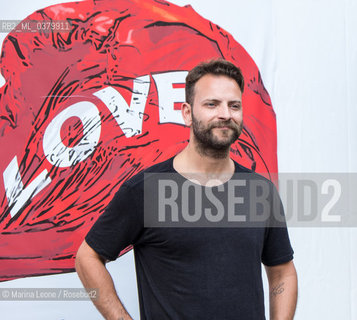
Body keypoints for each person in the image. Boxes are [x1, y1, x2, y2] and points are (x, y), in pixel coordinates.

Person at [75, 59, 298, 320]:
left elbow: (282, 271)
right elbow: (87, 258)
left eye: (234, 105)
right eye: (212, 104)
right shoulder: (146, 191)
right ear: (187, 113)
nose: (225, 114)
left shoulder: (261, 192)